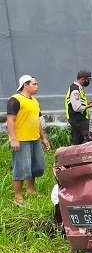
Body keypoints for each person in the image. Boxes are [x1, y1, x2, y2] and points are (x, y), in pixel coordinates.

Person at [7, 75, 50, 204]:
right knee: (21, 167)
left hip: (35, 138)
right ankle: (18, 196)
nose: (37, 86)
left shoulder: (35, 101)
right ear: (25, 85)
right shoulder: (15, 99)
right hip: (21, 140)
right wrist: (13, 139)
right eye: (34, 84)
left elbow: (37, 121)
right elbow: (10, 120)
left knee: (36, 166)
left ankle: (30, 190)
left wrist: (44, 138)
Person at [65, 70, 92, 145]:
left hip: (76, 119)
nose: (88, 82)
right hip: (78, 120)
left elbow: (77, 102)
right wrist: (90, 106)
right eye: (87, 80)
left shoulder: (77, 88)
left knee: (78, 140)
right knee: (88, 139)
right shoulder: (75, 90)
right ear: (82, 79)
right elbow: (77, 108)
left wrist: (89, 102)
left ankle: (74, 154)